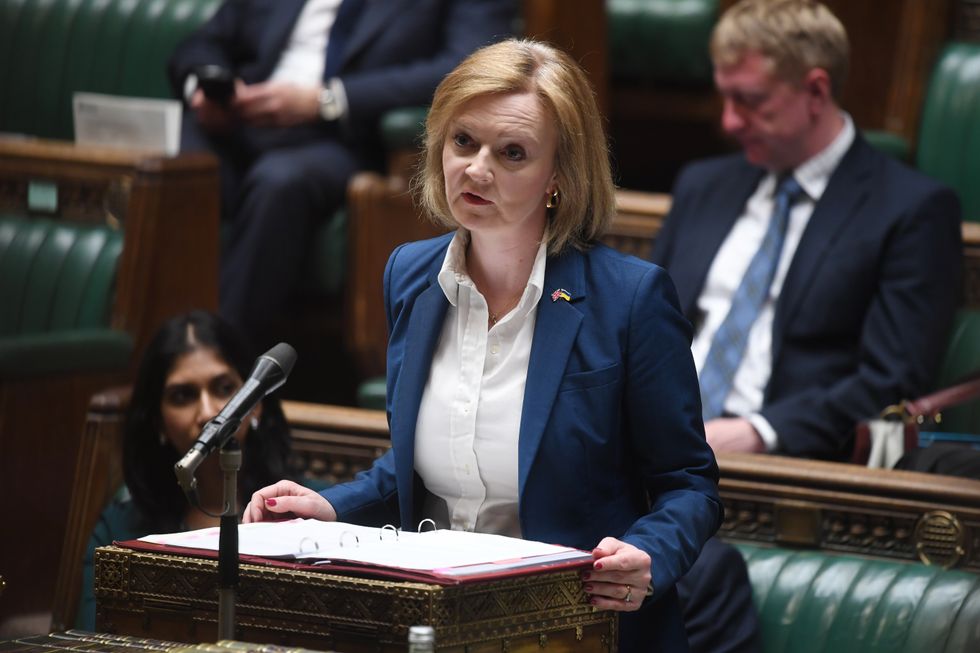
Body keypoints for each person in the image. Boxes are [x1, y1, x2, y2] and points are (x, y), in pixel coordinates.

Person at [242, 39, 723, 652]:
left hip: (576, 627)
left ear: (559, 176)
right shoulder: (410, 276)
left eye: (512, 153)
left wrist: (649, 554)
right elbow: (418, 465)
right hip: (438, 622)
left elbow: (689, 484)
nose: (475, 169)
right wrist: (329, 507)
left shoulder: (630, 299)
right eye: (463, 141)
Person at [651, 0, 962, 460]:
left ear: (816, 90)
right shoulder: (702, 185)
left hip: (783, 467)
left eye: (750, 100)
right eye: (725, 98)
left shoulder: (911, 210)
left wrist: (761, 432)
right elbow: (641, 326)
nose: (729, 121)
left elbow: (893, 379)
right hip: (648, 443)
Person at [167, 0, 516, 343]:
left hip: (343, 138)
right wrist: (207, 86)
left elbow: (472, 69)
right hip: (235, 123)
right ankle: (151, 347)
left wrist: (329, 100)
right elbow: (204, 41)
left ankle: (216, 357)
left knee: (279, 181)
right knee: (172, 163)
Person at [76, 311, 300, 630]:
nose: (208, 413)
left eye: (224, 388)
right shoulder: (118, 530)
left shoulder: (306, 512)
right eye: (183, 396)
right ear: (157, 421)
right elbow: (93, 637)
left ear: (258, 403)